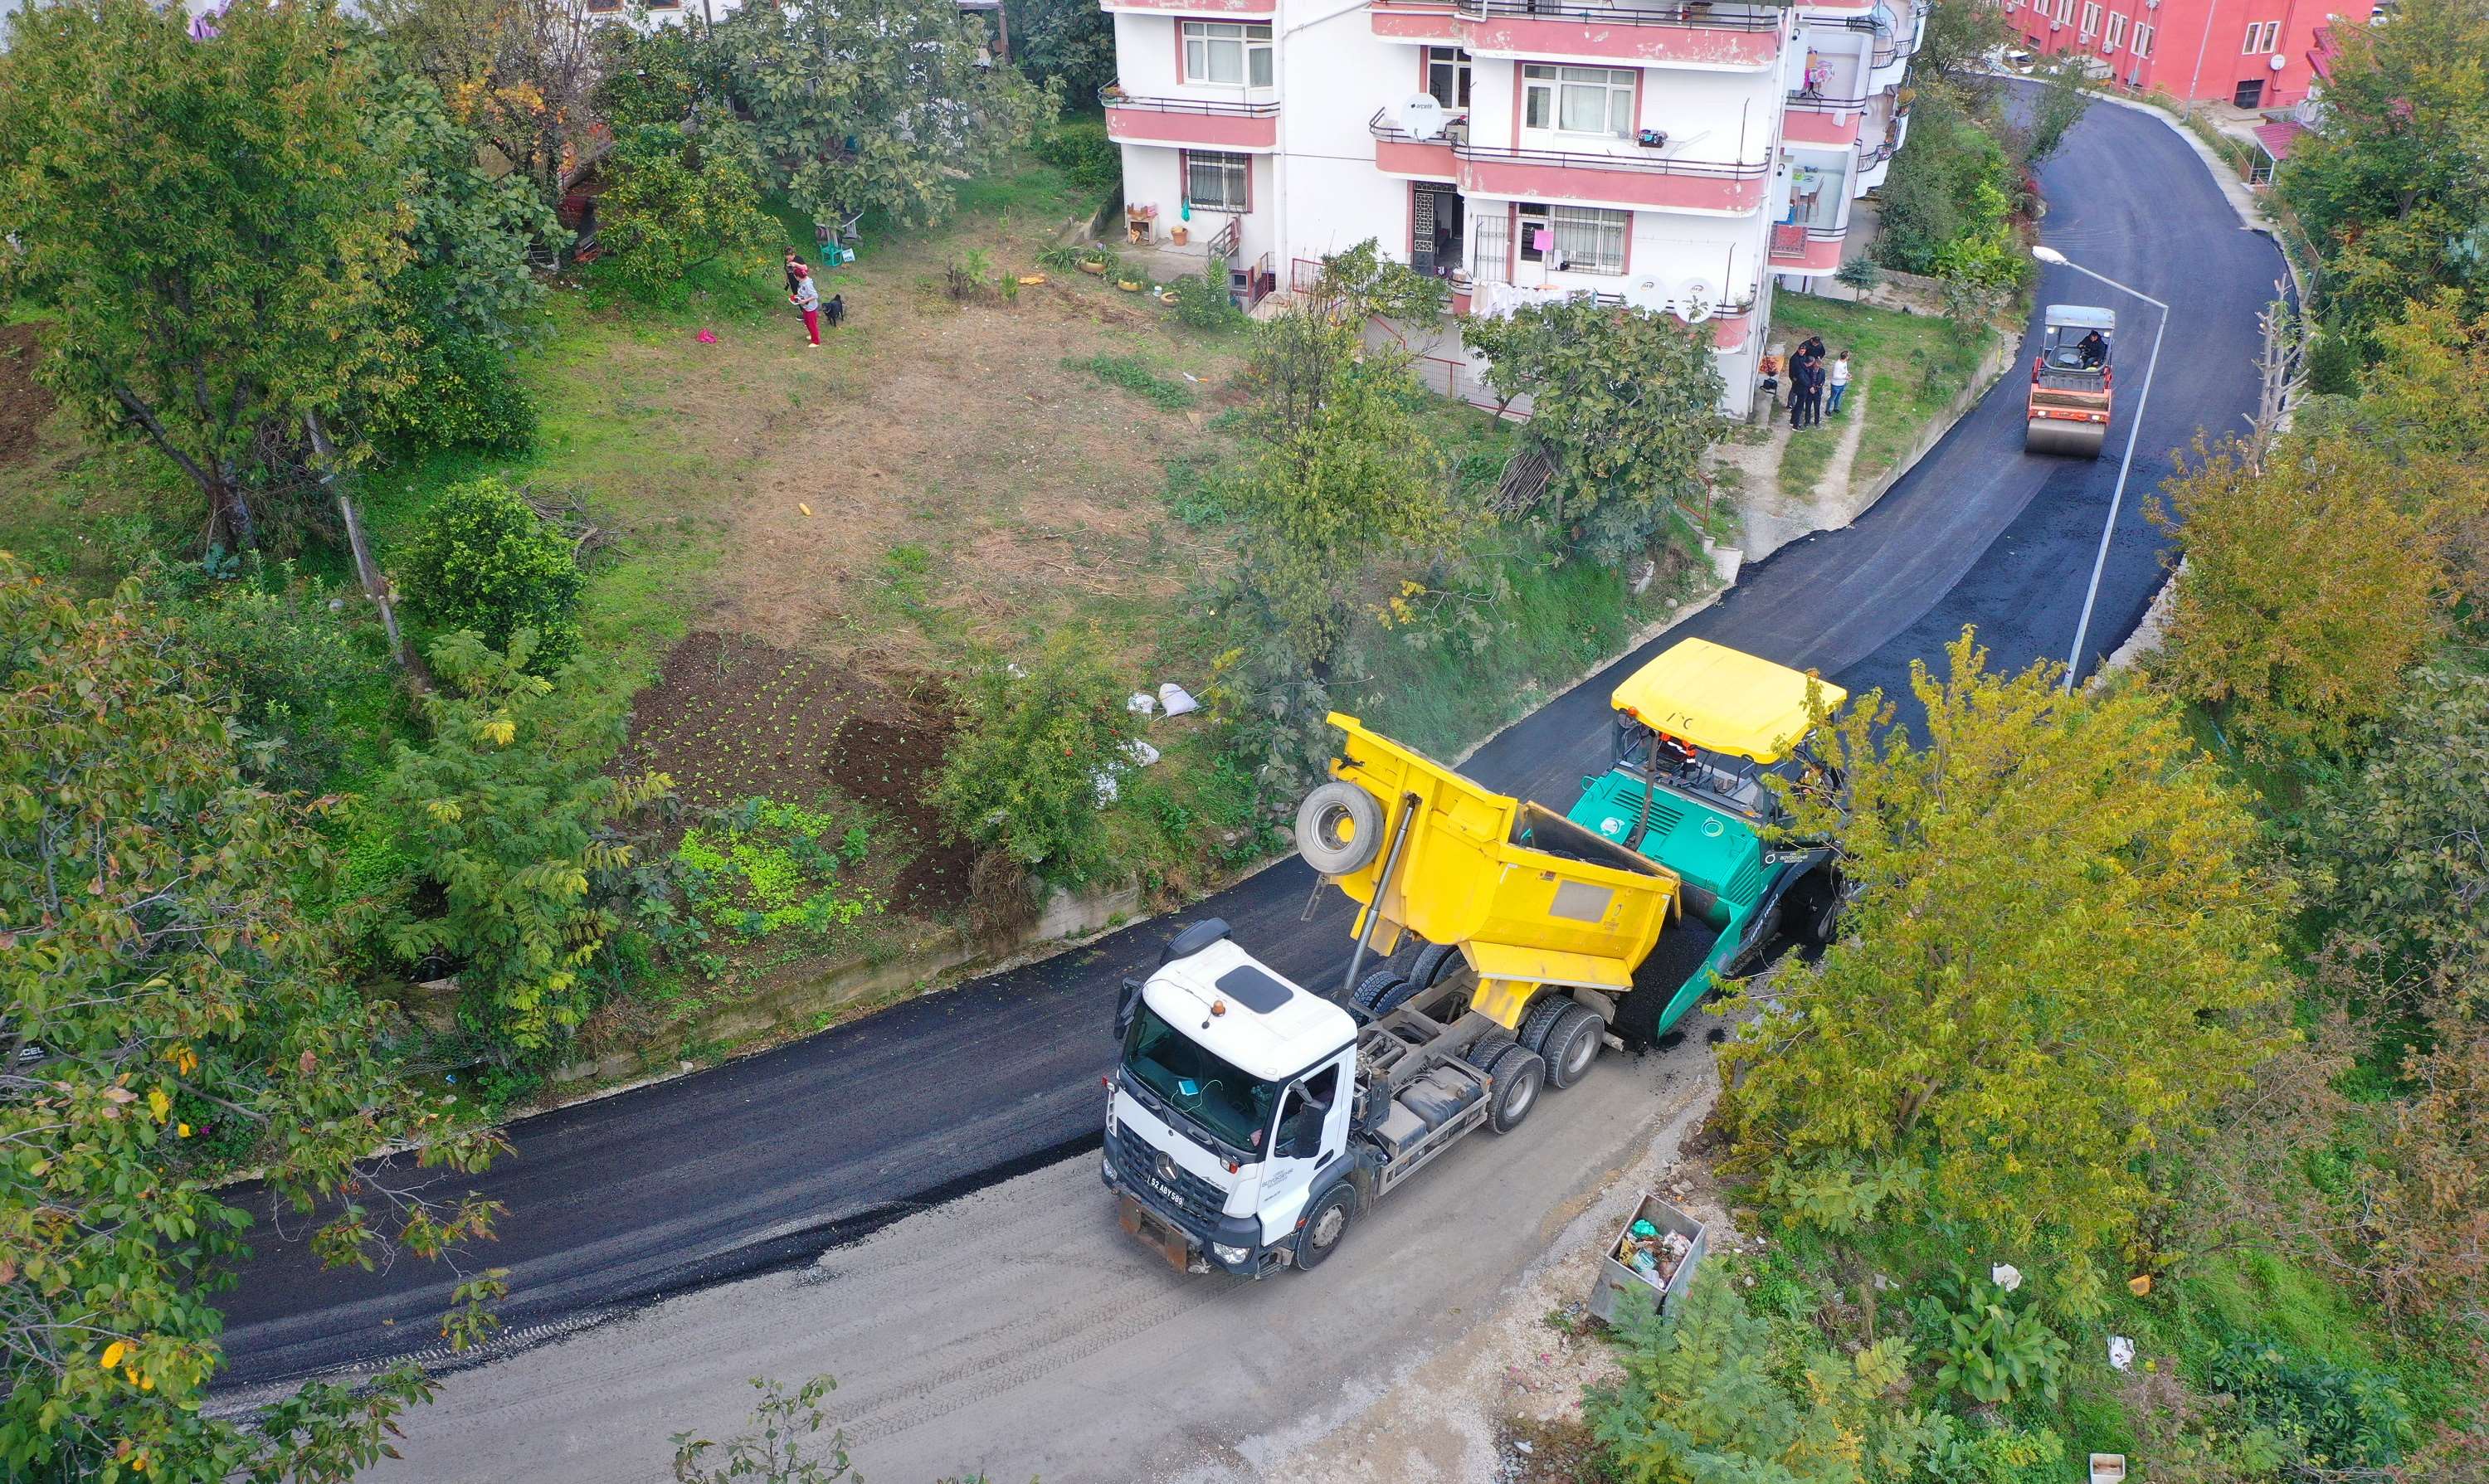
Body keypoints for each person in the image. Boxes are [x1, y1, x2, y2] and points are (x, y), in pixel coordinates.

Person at [790, 263, 821, 348]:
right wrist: (797, 297)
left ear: (798, 277)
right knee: (807, 322)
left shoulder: (807, 284)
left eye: (795, 276)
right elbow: (803, 292)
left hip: (810, 308)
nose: (795, 278)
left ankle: (816, 341)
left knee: (812, 324)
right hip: (806, 307)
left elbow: (815, 295)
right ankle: (812, 335)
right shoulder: (802, 281)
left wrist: (805, 301)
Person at [1826, 350, 1852, 415]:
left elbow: (1845, 370)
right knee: (1833, 397)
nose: (1849, 357)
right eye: (1848, 356)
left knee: (1839, 396)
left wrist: (1848, 373)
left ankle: (1836, 408)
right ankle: (1827, 410)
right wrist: (1844, 377)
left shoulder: (1845, 362)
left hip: (1842, 383)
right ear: (1846, 357)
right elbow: (1835, 376)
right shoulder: (1838, 365)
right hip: (1836, 384)